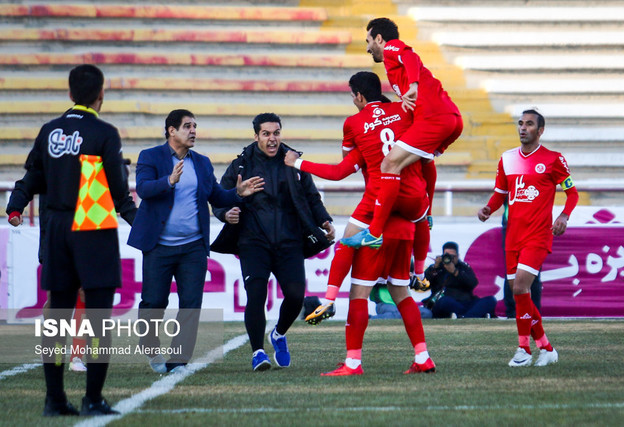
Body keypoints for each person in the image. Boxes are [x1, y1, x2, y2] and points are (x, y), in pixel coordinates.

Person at [6, 64, 137, 416]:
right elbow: (119, 192)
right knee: (97, 317)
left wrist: (15, 205)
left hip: (57, 227)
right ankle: (93, 398)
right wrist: (142, 226)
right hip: (91, 227)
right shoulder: (104, 132)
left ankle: (54, 399)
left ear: (69, 94)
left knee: (57, 314)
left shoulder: (50, 131)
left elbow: (32, 176)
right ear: (101, 94)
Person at [285, 71, 433, 324]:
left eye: (353, 96)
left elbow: (340, 169)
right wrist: (428, 208)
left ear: (360, 96)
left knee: (353, 272)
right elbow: (429, 164)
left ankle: (330, 300)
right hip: (412, 202)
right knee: (402, 292)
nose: (353, 100)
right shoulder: (405, 109)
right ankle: (420, 276)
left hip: (379, 201)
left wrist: (297, 162)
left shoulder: (354, 124)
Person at [127, 109, 263, 374]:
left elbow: (216, 197)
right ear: (171, 131)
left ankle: (179, 360)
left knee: (191, 304)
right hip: (159, 246)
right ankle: (151, 346)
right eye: (187, 126)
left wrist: (238, 193)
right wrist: (169, 180)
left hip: (193, 247)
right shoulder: (150, 156)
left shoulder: (201, 162)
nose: (193, 131)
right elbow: (143, 189)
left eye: (195, 126)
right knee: (154, 303)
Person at [211, 113, 335, 371]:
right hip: (253, 242)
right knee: (255, 295)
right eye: (266, 134)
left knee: (295, 296)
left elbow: (312, 197)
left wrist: (324, 220)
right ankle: (257, 352)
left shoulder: (294, 162)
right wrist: (227, 212)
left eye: (276, 133)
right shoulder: (241, 165)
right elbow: (220, 198)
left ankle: (278, 334)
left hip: (290, 241)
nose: (272, 139)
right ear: (256, 136)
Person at [341, 17, 463, 249]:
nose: (367, 48)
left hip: (434, 119)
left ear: (379, 38)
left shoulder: (391, 48)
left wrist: (414, 85)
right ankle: (426, 215)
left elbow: (410, 56)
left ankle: (374, 232)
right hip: (452, 119)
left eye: (368, 41)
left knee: (388, 165)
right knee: (424, 161)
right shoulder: (393, 66)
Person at [478, 109, 579, 367]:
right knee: (519, 293)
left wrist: (564, 216)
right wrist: (489, 209)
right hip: (512, 235)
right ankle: (547, 347)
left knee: (522, 288)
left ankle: (523, 349)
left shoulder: (554, 160)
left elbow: (572, 194)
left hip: (537, 235)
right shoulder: (507, 159)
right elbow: (499, 194)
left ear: (540, 130)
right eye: (521, 123)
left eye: (529, 124)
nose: (523, 128)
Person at [321, 215, 436, 376]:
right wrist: (419, 273)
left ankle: (353, 362)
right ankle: (423, 356)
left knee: (358, 294)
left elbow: (381, 196)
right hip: (405, 230)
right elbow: (423, 213)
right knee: (402, 294)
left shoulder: (382, 195)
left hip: (376, 229)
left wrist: (329, 298)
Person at [422, 241, 496, 319]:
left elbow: (473, 283)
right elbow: (424, 284)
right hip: (447, 302)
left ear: (458, 256)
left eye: (452, 256)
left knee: (490, 300)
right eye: (447, 256)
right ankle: (472, 315)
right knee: (444, 301)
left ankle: (464, 317)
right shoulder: (437, 268)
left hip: (465, 302)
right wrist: (435, 268)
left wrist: (455, 272)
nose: (450, 259)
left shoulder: (464, 267)